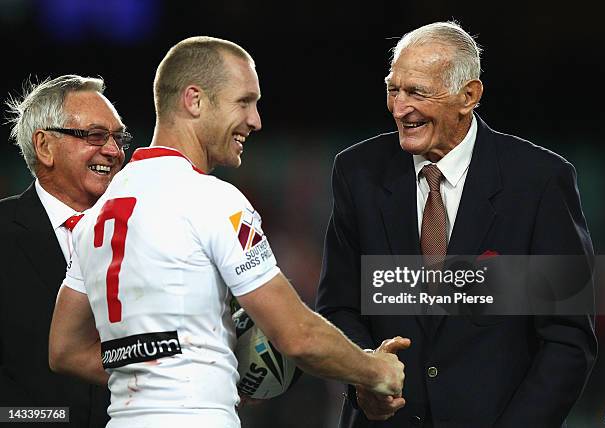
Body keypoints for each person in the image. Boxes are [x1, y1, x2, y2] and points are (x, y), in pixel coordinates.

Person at [47, 37, 408, 428]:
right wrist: (376, 370)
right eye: (244, 101)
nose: (256, 120)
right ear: (194, 100)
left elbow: (64, 350)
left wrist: (165, 371)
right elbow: (298, 335)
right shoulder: (212, 200)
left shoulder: (96, 214)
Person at [316, 21, 597, 427]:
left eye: (417, 92)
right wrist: (364, 380)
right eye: (394, 89)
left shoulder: (539, 182)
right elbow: (339, 306)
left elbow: (567, 342)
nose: (399, 107)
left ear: (469, 95)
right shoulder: (357, 172)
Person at [0, 75, 129, 426]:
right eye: (95, 136)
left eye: (118, 138)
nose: (114, 151)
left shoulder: (140, 235)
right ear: (44, 146)